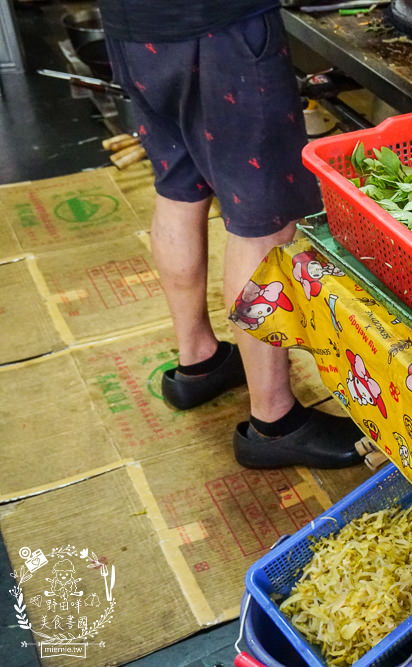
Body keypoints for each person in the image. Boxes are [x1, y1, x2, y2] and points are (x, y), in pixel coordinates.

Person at [98, 0, 363, 469]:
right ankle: (274, 422)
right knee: (263, 224)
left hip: (134, 30)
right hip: (221, 29)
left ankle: (198, 362)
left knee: (179, 187)